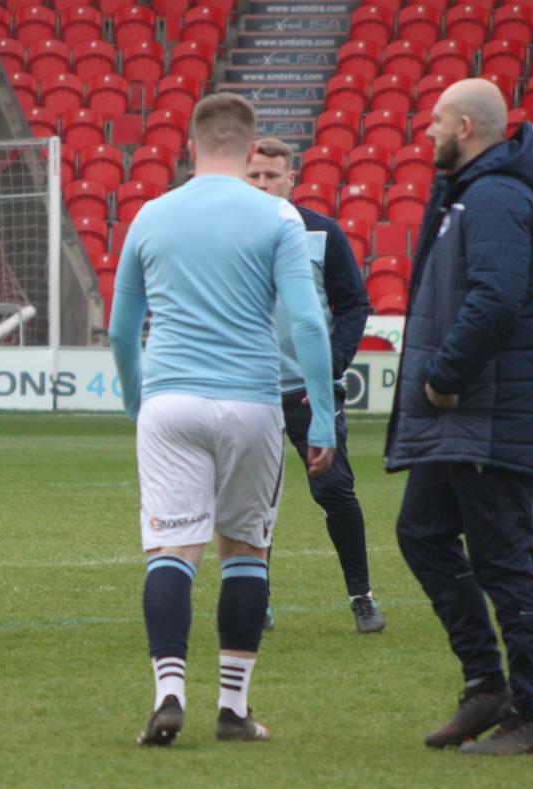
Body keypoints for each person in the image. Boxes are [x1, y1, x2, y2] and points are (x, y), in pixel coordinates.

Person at [108, 92, 336, 746]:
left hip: (170, 400)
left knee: (172, 549)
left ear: (191, 146)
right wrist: (322, 417)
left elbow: (122, 329)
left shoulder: (152, 214)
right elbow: (307, 322)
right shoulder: (278, 216)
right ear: (250, 147)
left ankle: (168, 693)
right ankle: (233, 709)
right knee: (245, 551)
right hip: (251, 402)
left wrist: (137, 399)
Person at [385, 78, 533, 756]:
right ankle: (488, 684)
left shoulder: (493, 197)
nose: (426, 131)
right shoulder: (472, 194)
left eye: (435, 120)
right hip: (467, 418)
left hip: (487, 411)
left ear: (464, 127)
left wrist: (444, 375)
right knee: (422, 532)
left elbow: (496, 298)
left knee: (504, 558)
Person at [245, 137, 384, 634]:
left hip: (309, 390)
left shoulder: (322, 233)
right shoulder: (225, 238)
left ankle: (362, 597)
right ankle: (254, 600)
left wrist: (329, 368)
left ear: (291, 179)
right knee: (253, 500)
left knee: (334, 490)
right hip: (250, 391)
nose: (263, 184)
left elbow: (354, 303)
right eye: (254, 175)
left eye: (272, 176)